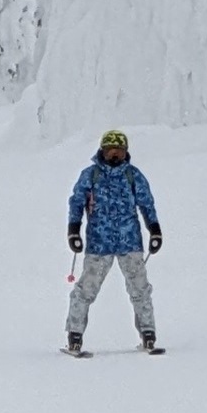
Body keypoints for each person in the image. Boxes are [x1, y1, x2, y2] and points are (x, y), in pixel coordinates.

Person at [66, 129, 162, 355]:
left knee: (140, 289)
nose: (115, 155)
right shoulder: (90, 175)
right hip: (99, 243)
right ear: (103, 151)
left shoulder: (133, 175)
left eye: (119, 150)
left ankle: (148, 334)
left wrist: (154, 230)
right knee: (86, 290)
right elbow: (77, 202)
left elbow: (147, 204)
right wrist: (73, 231)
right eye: (110, 150)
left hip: (130, 242)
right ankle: (75, 335)